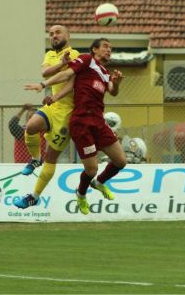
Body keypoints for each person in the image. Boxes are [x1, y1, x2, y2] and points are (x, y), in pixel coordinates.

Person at [26, 38, 126, 215]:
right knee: (91, 169)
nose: (109, 50)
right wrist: (44, 85)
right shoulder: (86, 60)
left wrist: (117, 82)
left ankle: (100, 183)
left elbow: (113, 91)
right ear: (94, 49)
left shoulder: (105, 72)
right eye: (105, 46)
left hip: (98, 121)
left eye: (111, 47)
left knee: (120, 161)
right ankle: (80, 194)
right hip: (81, 122)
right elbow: (66, 76)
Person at [13, 25, 80, 209]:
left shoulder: (75, 55)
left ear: (68, 35)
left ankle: (34, 196)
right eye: (50, 34)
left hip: (67, 112)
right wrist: (60, 63)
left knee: (51, 157)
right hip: (53, 105)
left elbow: (70, 81)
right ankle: (35, 159)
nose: (54, 36)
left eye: (58, 32)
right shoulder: (50, 55)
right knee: (31, 126)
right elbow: (45, 72)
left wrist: (64, 63)